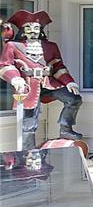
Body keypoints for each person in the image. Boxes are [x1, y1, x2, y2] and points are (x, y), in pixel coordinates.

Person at [0, 11, 82, 148]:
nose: (33, 31)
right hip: (28, 86)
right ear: (23, 30)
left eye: (36, 28)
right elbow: (5, 65)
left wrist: (69, 82)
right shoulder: (13, 46)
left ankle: (66, 129)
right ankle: (28, 153)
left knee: (74, 99)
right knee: (29, 122)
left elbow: (58, 67)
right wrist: (15, 79)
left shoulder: (51, 46)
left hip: (48, 83)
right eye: (29, 28)